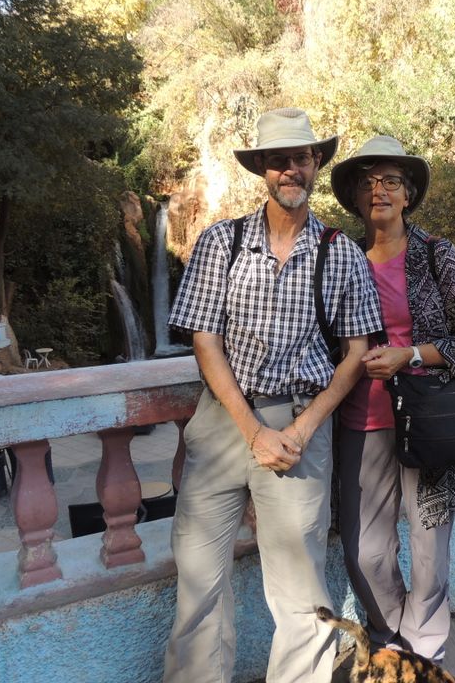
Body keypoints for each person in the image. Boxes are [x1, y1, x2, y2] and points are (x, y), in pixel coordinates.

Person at [164, 108, 384, 683]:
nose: (291, 169)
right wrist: (252, 430)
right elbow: (205, 341)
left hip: (299, 427)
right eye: (279, 160)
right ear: (262, 168)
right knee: (198, 582)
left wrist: (301, 429)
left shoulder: (341, 253)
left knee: (301, 594)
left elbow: (356, 354)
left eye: (301, 158)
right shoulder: (222, 241)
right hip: (223, 423)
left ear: (316, 164)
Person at [329, 135, 455, 663]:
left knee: (428, 549)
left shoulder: (435, 254)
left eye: (391, 181)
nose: (378, 190)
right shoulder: (340, 258)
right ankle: (391, 633)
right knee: (365, 550)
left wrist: (411, 355)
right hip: (362, 419)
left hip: (427, 420)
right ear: (356, 198)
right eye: (368, 182)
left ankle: (425, 651)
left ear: (408, 194)